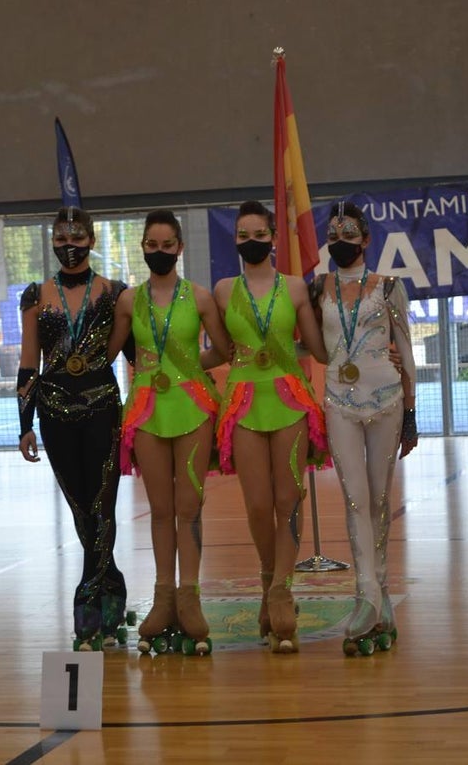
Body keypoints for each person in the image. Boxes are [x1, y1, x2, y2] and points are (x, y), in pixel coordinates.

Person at [107, 209, 232, 656]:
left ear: (180, 248)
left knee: (188, 506)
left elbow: (224, 348)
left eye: (166, 245)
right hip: (146, 411)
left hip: (193, 407)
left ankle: (190, 596)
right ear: (142, 247)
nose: (158, 252)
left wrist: (186, 369)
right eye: (150, 245)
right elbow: (110, 351)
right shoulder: (128, 302)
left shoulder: (199, 298)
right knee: (160, 509)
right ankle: (163, 597)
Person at [213, 200, 330, 654]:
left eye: (260, 234)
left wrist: (369, 351)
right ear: (236, 240)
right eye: (244, 235)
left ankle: (282, 590)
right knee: (259, 504)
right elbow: (221, 350)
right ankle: (269, 580)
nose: (252, 241)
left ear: (274, 238)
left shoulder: (297, 288)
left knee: (289, 498)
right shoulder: (222, 290)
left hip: (289, 400)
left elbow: (319, 350)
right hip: (243, 401)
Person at [17, 206, 130, 651]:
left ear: (92, 240)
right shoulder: (35, 295)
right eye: (61, 238)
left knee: (104, 501)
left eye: (77, 237)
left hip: (103, 406)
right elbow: (29, 361)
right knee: (80, 506)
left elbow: (137, 356)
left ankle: (88, 597)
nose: (69, 245)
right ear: (52, 243)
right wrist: (24, 424)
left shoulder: (117, 293)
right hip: (55, 411)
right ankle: (111, 579)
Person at [309, 200, 418, 657]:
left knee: (378, 498)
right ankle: (365, 595)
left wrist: (412, 411)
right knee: (354, 499)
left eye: (350, 234)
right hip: (339, 403)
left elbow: (406, 349)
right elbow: (316, 347)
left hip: (387, 401)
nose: (341, 242)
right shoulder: (318, 288)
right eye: (334, 235)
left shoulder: (389, 287)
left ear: (367, 239)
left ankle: (383, 595)